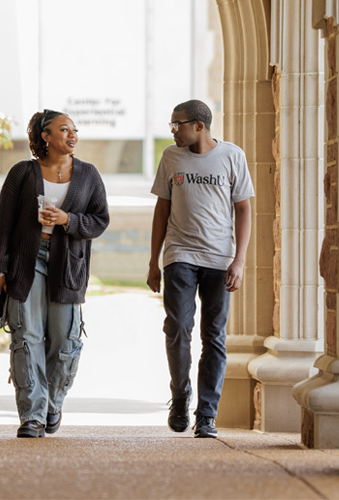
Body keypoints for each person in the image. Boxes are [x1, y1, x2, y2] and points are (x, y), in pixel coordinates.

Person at [0, 109, 109, 438]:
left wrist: (68, 220)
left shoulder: (88, 174)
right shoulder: (22, 173)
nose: (72, 135)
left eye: (75, 130)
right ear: (45, 136)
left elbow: (100, 220)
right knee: (26, 338)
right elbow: (3, 226)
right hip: (27, 263)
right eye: (64, 129)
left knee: (66, 340)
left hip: (67, 264)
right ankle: (32, 416)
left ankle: (53, 403)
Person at [147, 100, 254, 438]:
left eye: (178, 124)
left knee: (214, 337)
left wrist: (239, 260)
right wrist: (154, 260)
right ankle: (180, 396)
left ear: (199, 125)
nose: (173, 130)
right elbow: (162, 210)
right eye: (172, 124)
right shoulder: (170, 157)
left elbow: (245, 211)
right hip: (179, 254)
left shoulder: (232, 156)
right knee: (177, 327)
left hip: (220, 260)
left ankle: (206, 414)